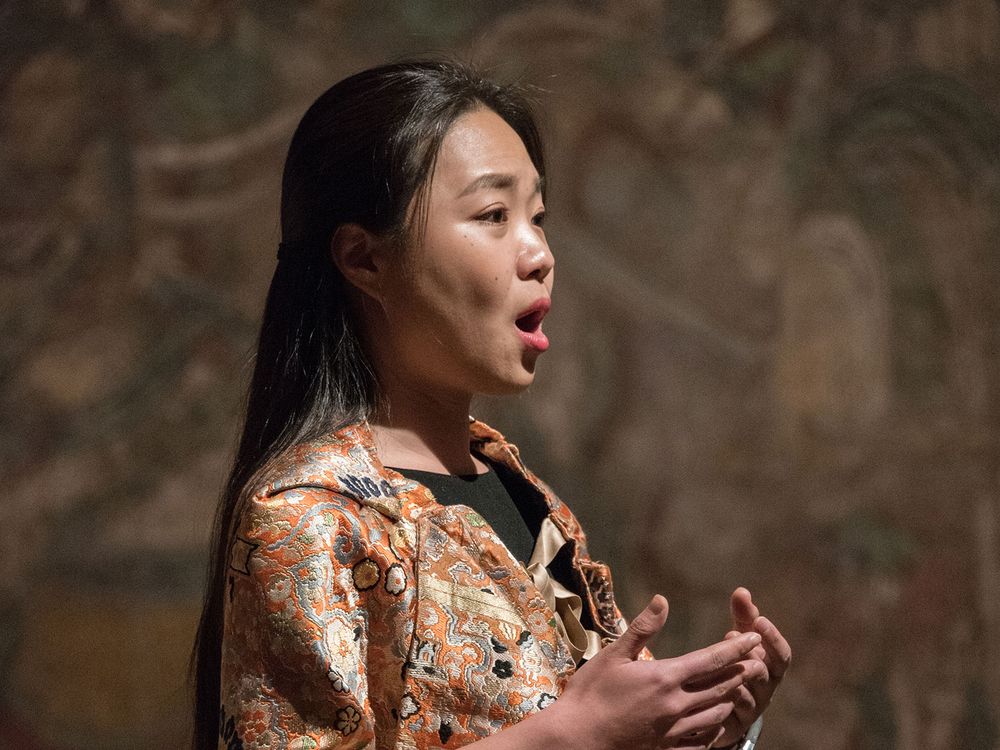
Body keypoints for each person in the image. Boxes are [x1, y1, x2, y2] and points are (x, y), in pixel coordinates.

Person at [191, 58, 791, 750]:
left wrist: (712, 729)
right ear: (364, 259)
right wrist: (570, 736)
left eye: (537, 217)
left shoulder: (523, 494)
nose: (539, 253)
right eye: (493, 215)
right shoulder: (307, 515)